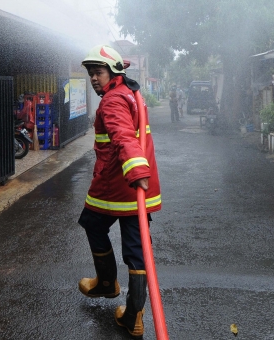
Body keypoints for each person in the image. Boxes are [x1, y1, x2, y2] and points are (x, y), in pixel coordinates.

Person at [78, 44, 162, 338]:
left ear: (112, 72)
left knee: (92, 223)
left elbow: (124, 136)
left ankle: (106, 283)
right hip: (137, 188)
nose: (93, 79)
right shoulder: (130, 91)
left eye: (98, 72)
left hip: (115, 185)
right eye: (90, 73)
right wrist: (140, 173)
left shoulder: (112, 101)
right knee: (137, 251)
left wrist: (136, 170)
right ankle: (133, 317)